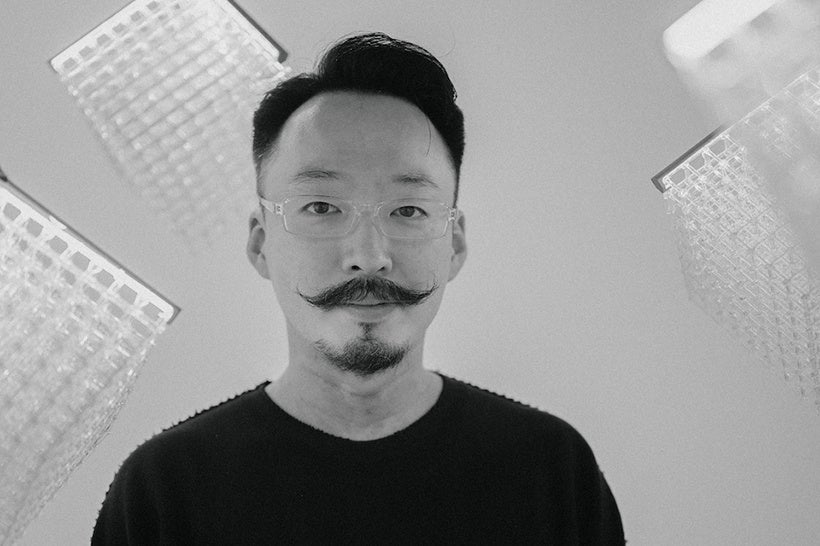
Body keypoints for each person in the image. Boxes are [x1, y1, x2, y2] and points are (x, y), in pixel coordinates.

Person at [92, 32, 625, 544]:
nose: (368, 257)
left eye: (408, 210)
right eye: (322, 207)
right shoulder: (163, 491)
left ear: (455, 242)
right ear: (260, 242)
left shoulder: (552, 470)